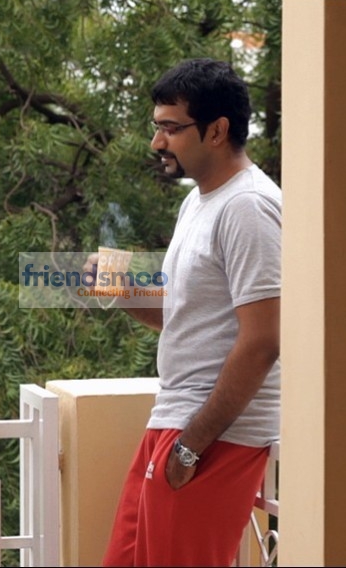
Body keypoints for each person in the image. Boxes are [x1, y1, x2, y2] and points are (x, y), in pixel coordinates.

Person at [101, 58, 282, 567]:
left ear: (217, 131)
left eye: (171, 128)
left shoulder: (249, 208)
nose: (157, 142)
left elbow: (264, 340)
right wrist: (119, 290)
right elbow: (184, 314)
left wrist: (191, 446)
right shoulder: (199, 202)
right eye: (157, 127)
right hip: (176, 420)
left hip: (212, 436)